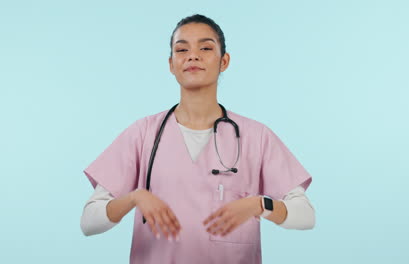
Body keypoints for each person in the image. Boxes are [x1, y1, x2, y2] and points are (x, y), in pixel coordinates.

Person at [80, 14, 315, 264]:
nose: (193, 56)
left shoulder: (256, 136)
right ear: (171, 64)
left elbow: (305, 215)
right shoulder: (143, 133)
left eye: (205, 48)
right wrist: (134, 197)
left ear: (224, 61)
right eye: (182, 49)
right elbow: (89, 222)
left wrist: (260, 204)